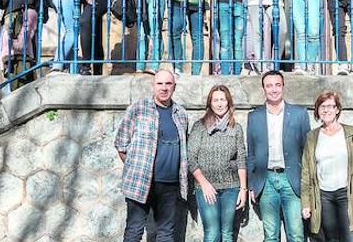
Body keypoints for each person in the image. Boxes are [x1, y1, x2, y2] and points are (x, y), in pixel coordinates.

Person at [114, 69, 189, 241]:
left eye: (168, 84)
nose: (164, 88)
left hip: (170, 185)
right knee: (134, 231)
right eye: (159, 84)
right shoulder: (139, 108)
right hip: (140, 181)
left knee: (166, 233)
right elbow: (121, 143)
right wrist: (136, 167)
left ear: (174, 87)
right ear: (153, 86)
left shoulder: (181, 114)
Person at [301, 91, 353, 242]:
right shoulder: (312, 137)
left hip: (348, 195)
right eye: (322, 106)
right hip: (324, 197)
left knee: (351, 238)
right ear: (317, 110)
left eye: (330, 106)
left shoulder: (351, 133)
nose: (326, 110)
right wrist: (306, 204)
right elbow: (306, 173)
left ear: (337, 109)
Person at [247, 70, 310, 242]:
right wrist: (251, 185)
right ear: (263, 89)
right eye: (269, 86)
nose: (273, 89)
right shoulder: (254, 116)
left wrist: (307, 185)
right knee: (270, 235)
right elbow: (251, 153)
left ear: (283, 86)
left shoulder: (299, 114)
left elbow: (307, 152)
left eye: (277, 85)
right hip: (266, 180)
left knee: (296, 234)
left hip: (292, 180)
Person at [188, 85, 247, 242]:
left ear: (228, 103)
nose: (219, 104)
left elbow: (241, 158)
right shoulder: (199, 127)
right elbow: (190, 158)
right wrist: (204, 183)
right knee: (213, 233)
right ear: (210, 103)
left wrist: (243, 189)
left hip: (231, 188)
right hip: (206, 188)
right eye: (216, 100)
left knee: (227, 233)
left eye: (223, 100)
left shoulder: (236, 128)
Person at [0, 0, 45, 91]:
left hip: (27, 29)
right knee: (10, 61)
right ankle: (11, 92)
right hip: (10, 27)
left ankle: (24, 90)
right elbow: (1, 3)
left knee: (26, 62)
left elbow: (39, 9)